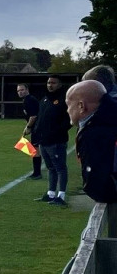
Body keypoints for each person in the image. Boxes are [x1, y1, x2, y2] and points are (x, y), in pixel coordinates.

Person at [65, 80, 117, 203]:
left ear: (81, 106)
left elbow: (99, 187)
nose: (67, 110)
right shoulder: (109, 120)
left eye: (68, 105)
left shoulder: (94, 133)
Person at [32, 76, 72, 206]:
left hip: (56, 141)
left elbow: (69, 120)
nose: (50, 85)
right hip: (44, 141)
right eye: (49, 82)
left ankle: (61, 195)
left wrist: (58, 132)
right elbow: (40, 118)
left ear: (59, 84)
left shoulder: (64, 100)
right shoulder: (44, 99)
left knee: (60, 168)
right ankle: (50, 194)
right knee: (50, 168)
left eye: (53, 83)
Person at [17, 83, 42, 179]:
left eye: (22, 90)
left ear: (27, 89)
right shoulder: (26, 100)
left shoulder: (29, 100)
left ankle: (37, 173)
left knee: (36, 150)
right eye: (18, 91)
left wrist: (28, 127)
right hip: (36, 127)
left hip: (37, 128)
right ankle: (37, 172)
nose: (20, 92)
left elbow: (33, 116)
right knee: (36, 149)